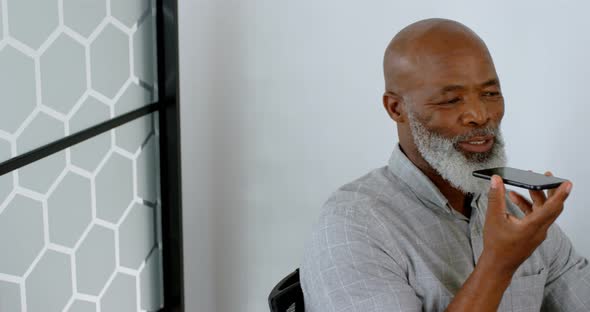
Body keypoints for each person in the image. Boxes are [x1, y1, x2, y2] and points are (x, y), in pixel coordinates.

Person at [300, 18, 590, 311]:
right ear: (396, 108)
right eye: (451, 100)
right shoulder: (354, 227)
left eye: (490, 94)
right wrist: (499, 264)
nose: (479, 114)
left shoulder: (518, 215)